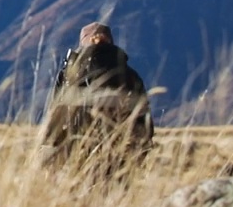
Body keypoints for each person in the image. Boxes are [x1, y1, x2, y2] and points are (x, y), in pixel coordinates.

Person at [41, 22, 154, 168]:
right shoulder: (130, 76)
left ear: (82, 43)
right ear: (111, 42)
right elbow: (144, 123)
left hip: (76, 160)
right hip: (119, 161)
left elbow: (55, 121)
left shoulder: (70, 76)